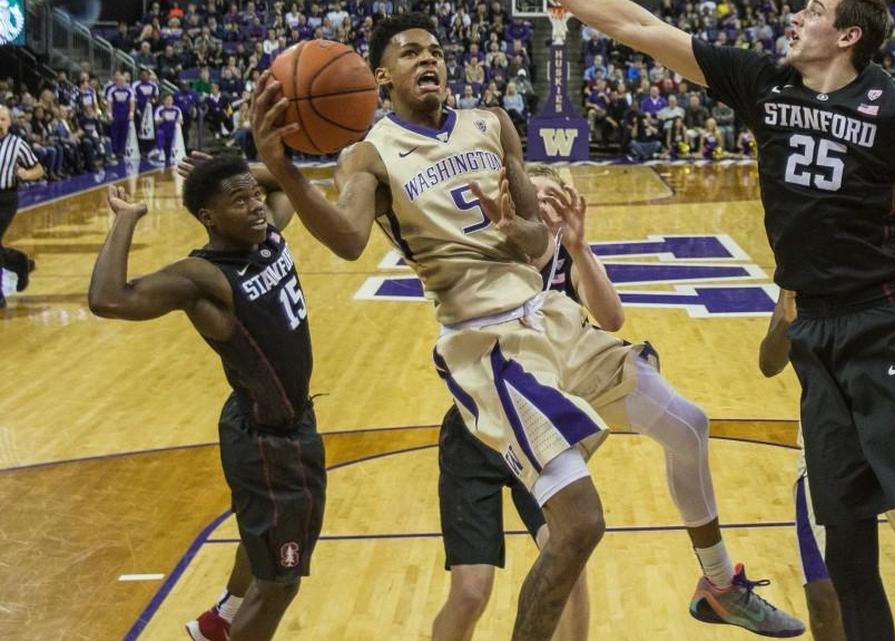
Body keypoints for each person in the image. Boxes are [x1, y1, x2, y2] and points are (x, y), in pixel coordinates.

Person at [249, 12, 803, 641]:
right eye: (409, 54)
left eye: (434, 51)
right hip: (488, 344)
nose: (427, 60)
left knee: (689, 426)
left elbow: (538, 237)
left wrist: (516, 230)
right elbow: (349, 239)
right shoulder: (369, 154)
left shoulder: (492, 124)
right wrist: (285, 168)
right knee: (580, 524)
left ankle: (719, 584)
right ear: (380, 76)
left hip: (551, 317)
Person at [555, 0, 895, 639]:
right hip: (817, 333)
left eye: (815, 8)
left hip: (889, 327)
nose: (798, 13)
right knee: (848, 545)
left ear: (847, 34)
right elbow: (643, 29)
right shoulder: (762, 80)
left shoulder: (894, 108)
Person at [88, 154, 326, 641]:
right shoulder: (204, 277)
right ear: (208, 218)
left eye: (254, 195)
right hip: (267, 442)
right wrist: (126, 221)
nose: (256, 205)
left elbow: (281, 187)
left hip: (283, 424)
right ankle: (234, 618)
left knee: (259, 533)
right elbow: (108, 298)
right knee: (280, 584)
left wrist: (236, 169)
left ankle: (223, 618)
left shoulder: (269, 234)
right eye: (239, 201)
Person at [432, 167, 606, 641]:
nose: (544, 203)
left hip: (540, 426)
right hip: (477, 431)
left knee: (569, 567)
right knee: (470, 593)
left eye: (554, 195)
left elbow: (612, 318)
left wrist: (581, 249)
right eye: (536, 195)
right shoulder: (486, 257)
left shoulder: (571, 260)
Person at [760, 243, 895, 641]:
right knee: (825, 597)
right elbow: (769, 363)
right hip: (827, 445)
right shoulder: (801, 267)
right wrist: (786, 315)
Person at [0, 105, 44, 309]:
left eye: (3, 119)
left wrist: (27, 174)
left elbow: (38, 169)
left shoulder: (17, 144)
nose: (0, 123)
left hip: (5, 199)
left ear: (9, 122)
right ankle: (20, 263)